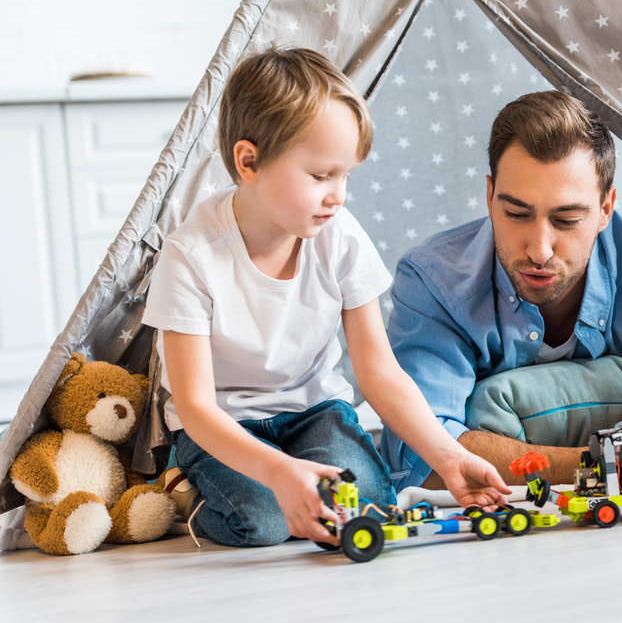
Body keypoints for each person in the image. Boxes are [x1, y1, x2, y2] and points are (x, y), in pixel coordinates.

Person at [142, 48, 509, 548]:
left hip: (313, 412)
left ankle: (287, 484)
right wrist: (279, 473)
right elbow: (197, 406)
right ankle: (184, 487)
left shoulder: (341, 235)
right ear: (248, 161)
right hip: (224, 425)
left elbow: (379, 372)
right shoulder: (192, 255)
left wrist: (447, 456)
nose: (339, 196)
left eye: (346, 177)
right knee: (262, 523)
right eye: (320, 176)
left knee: (371, 505)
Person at [381, 91, 622, 490]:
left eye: (566, 219)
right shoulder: (434, 281)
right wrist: (610, 464)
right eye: (516, 214)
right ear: (489, 196)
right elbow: (420, 458)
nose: (539, 249)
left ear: (605, 209)